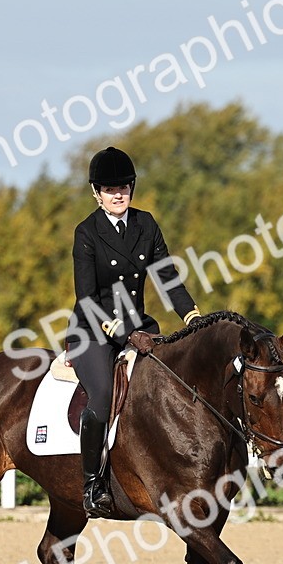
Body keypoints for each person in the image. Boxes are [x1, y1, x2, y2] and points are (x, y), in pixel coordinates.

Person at [65, 146, 201, 518]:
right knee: (103, 392)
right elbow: (87, 299)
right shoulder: (87, 233)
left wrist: (191, 318)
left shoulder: (146, 224)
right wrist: (124, 334)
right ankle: (92, 485)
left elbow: (167, 278)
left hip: (139, 325)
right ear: (97, 193)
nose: (118, 194)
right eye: (110, 189)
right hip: (94, 330)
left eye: (123, 187)